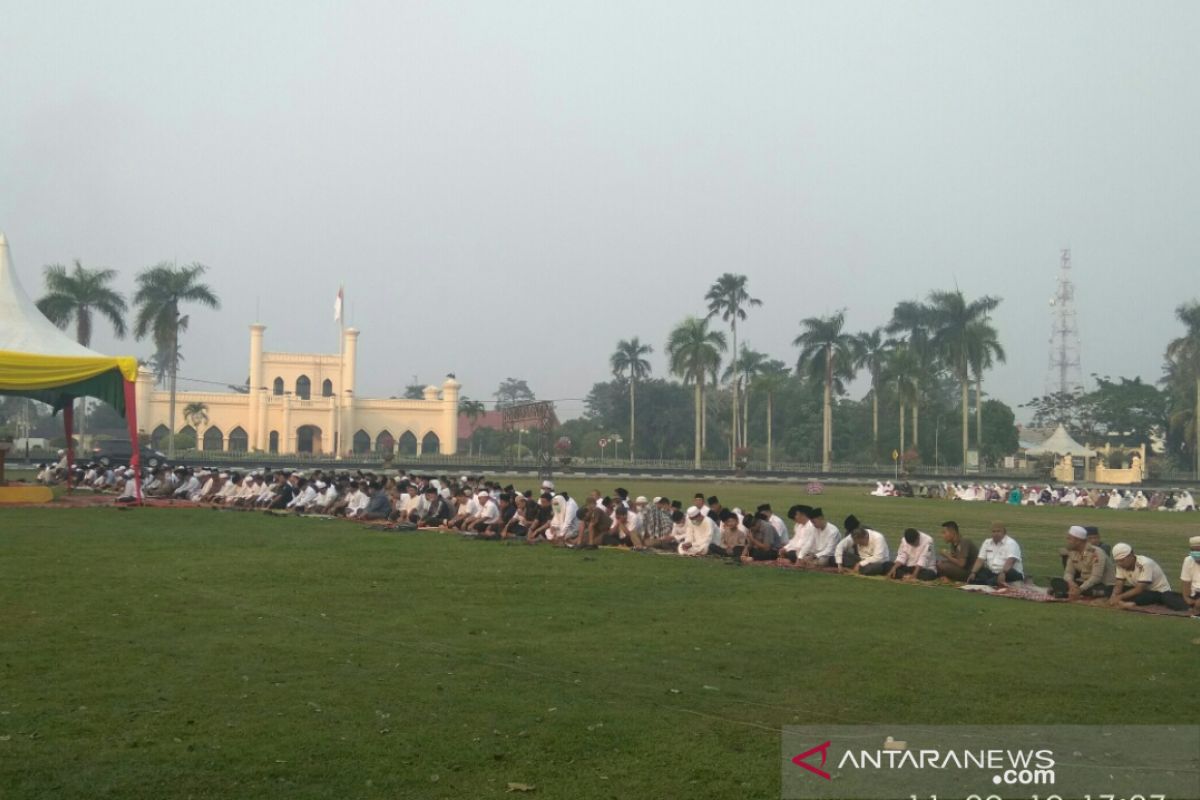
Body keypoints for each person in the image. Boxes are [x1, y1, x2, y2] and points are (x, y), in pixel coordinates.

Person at [1110, 543, 1188, 610]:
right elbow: (1118, 585)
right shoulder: (1120, 566)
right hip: (1140, 590)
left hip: (1158, 593)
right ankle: (1122, 604)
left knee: (1139, 597)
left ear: (1131, 555)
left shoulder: (1145, 564)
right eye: (1117, 561)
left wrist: (1119, 597)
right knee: (1109, 589)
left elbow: (1139, 589)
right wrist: (1114, 596)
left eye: (1122, 560)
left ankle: (1123, 603)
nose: (1120, 563)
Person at [1050, 525, 1115, 599]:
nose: (1067, 540)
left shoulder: (1096, 553)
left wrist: (1080, 589)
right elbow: (1069, 572)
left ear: (1078, 541)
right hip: (1084, 582)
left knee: (1101, 591)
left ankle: (1066, 593)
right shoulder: (1073, 552)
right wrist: (1071, 583)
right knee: (1056, 581)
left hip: (1101, 584)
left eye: (1069, 538)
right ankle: (1071, 592)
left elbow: (1096, 577)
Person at [967, 522, 1023, 587]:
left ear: (1004, 532)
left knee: (1007, 574)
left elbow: (1011, 561)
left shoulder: (1011, 543)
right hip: (993, 572)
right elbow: (980, 559)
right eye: (994, 531)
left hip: (1008, 572)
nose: (996, 534)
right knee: (978, 572)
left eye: (998, 531)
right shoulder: (987, 542)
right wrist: (973, 572)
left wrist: (1003, 573)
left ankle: (988, 582)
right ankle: (989, 581)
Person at [1180, 535, 1200, 616]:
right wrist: (1187, 599)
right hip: (1195, 595)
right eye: (1193, 550)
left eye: (1198, 550)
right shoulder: (1188, 560)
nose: (1196, 553)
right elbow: (1186, 583)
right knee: (1167, 596)